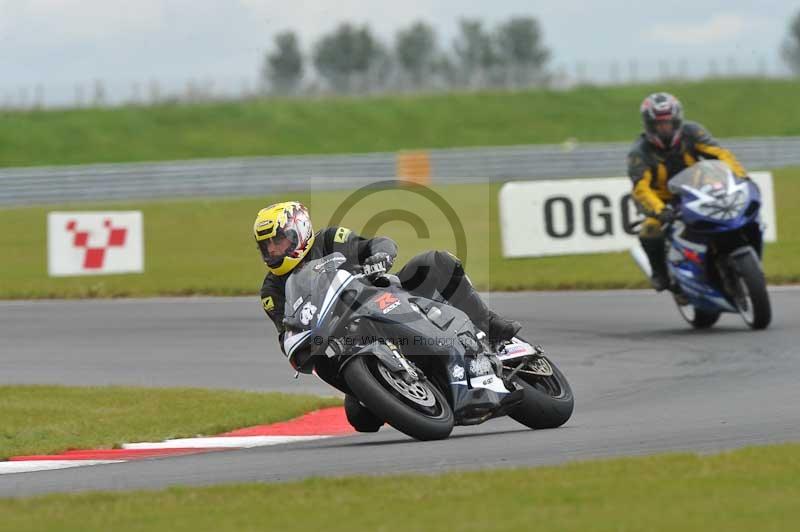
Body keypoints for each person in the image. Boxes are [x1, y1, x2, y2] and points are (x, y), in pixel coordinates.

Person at [253, 201, 520, 431]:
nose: (273, 250)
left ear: (299, 231)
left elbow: (375, 243)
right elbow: (287, 328)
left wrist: (379, 255)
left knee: (437, 261)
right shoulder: (272, 290)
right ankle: (384, 386)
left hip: (384, 295)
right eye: (267, 246)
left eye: (279, 241)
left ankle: (489, 325)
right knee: (361, 419)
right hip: (345, 340)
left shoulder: (330, 239)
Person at [627, 92, 748, 291]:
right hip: (663, 201)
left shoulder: (693, 133)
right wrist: (659, 210)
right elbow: (641, 189)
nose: (665, 129)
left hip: (698, 190)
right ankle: (660, 272)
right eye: (659, 124)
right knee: (650, 230)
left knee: (728, 210)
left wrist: (740, 176)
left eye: (669, 123)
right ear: (649, 126)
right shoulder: (639, 153)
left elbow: (721, 154)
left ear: (677, 121)